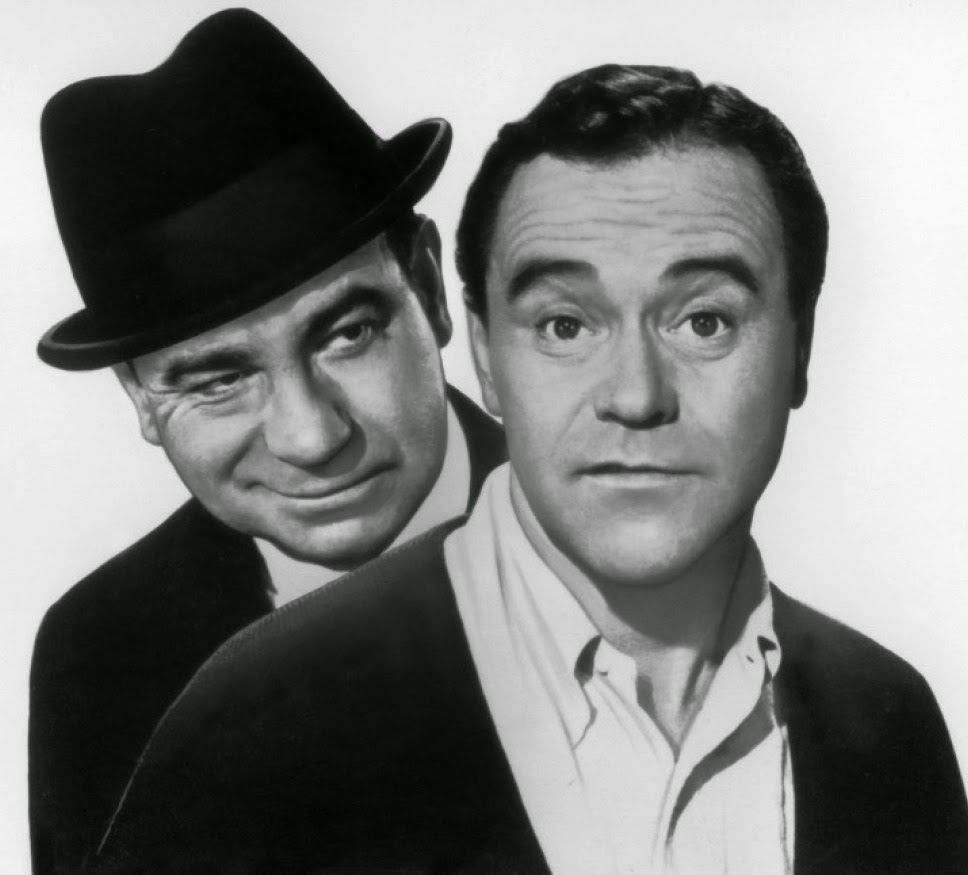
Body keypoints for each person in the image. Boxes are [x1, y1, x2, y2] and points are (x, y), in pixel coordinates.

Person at [90, 64, 968, 873]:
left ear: (800, 346)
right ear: (482, 352)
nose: (635, 396)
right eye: (564, 325)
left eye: (704, 321)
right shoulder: (250, 723)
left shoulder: (887, 719)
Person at [27, 9, 506, 874]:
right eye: (218, 380)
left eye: (348, 334)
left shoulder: (632, 538)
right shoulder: (98, 653)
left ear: (431, 290)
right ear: (140, 398)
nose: (312, 437)